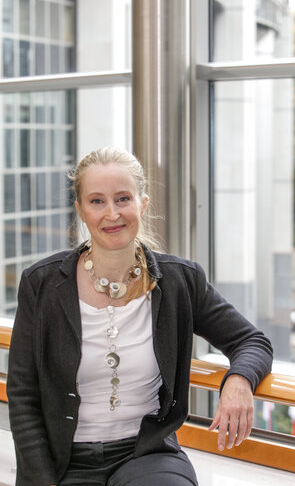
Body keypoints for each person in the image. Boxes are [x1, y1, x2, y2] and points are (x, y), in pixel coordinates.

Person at [7, 147, 273, 486]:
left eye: (122, 199)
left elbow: (251, 340)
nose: (112, 214)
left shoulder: (180, 280)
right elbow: (23, 396)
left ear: (142, 204)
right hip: (63, 462)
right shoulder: (41, 283)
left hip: (146, 455)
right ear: (80, 210)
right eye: (97, 201)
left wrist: (239, 380)